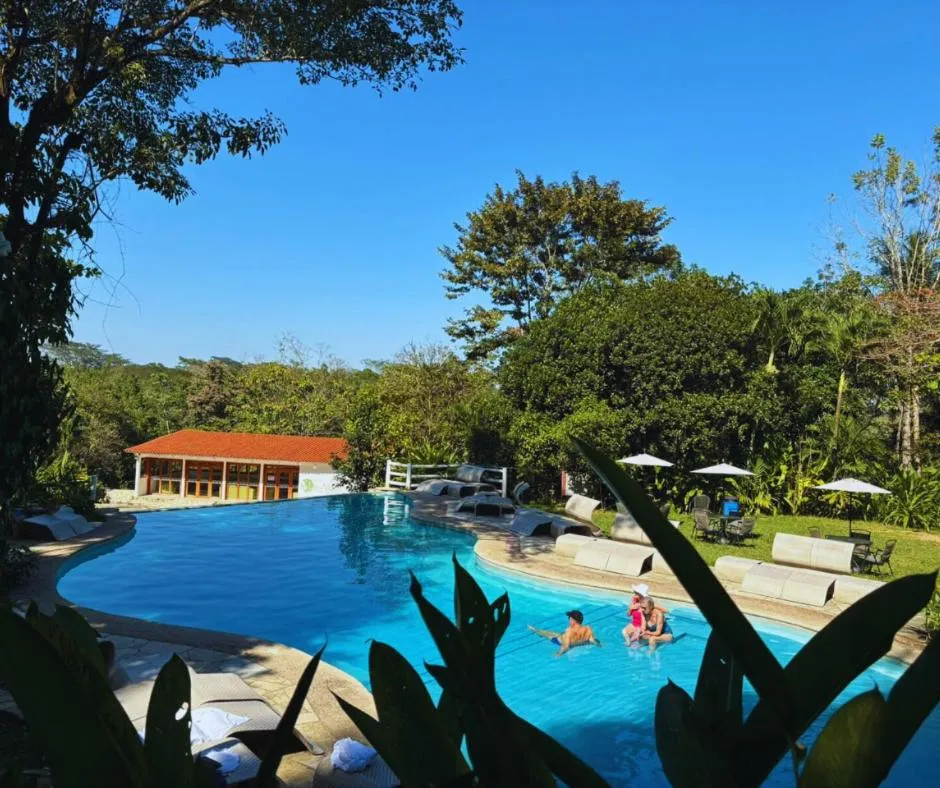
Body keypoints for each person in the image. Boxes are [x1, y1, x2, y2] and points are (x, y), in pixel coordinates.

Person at [529, 610, 601, 655]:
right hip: (564, 638)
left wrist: (559, 654)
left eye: (569, 618)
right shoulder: (587, 628)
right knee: (555, 633)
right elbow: (592, 640)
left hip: (558, 641)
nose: (569, 620)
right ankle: (538, 632)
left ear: (573, 620)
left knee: (545, 634)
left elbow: (566, 646)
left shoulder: (569, 630)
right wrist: (599, 645)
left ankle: (536, 631)